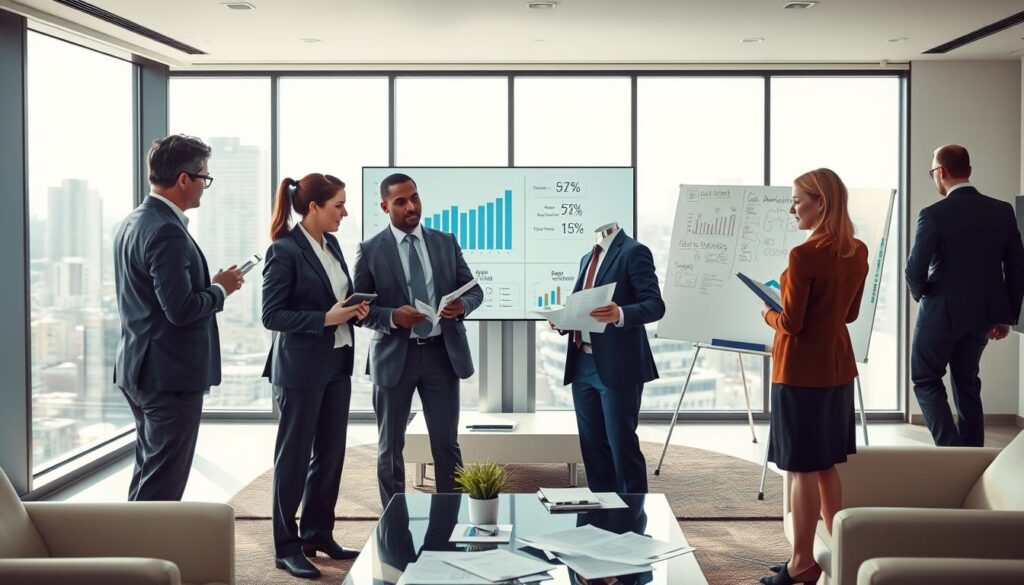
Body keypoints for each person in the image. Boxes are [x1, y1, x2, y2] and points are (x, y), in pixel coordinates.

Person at [113, 134, 243, 501]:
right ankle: (148, 556)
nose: (205, 186)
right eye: (205, 177)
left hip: (140, 369)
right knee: (163, 483)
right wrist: (221, 289)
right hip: (168, 377)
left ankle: (133, 555)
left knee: (149, 471)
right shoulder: (167, 230)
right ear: (184, 179)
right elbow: (181, 310)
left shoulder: (133, 221)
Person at [758, 168, 868, 585]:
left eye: (798, 200)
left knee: (801, 468)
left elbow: (792, 323)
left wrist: (768, 311)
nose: (793, 209)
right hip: (837, 368)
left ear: (820, 202)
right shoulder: (856, 250)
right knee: (825, 465)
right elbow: (851, 313)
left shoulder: (802, 256)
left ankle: (801, 563)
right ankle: (834, 551)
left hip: (799, 371)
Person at [352, 173, 484, 508]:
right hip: (395, 357)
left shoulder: (445, 242)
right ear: (384, 206)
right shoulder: (369, 251)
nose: (411, 206)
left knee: (446, 446)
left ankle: (449, 521)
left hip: (442, 356)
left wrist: (461, 306)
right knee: (390, 447)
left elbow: (474, 290)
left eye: (415, 198)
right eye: (401, 201)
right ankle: (394, 525)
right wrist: (393, 316)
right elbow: (360, 310)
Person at [262, 174, 369, 578]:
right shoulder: (284, 251)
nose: (345, 212)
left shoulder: (333, 244)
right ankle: (285, 546)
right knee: (292, 459)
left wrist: (352, 309)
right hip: (300, 370)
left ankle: (318, 533)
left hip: (337, 363)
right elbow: (272, 315)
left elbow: (337, 296)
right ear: (314, 208)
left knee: (330, 454)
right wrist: (327, 317)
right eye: (338, 205)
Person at [906, 144, 1024, 447]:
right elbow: (1016, 267)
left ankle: (950, 450)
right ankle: (972, 456)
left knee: (925, 377)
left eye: (932, 171)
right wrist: (1005, 315)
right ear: (968, 171)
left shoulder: (933, 214)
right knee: (967, 383)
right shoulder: (1001, 211)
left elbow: (914, 271)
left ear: (941, 172)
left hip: (940, 315)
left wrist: (925, 297)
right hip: (982, 317)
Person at [556, 222, 665, 494]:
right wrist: (561, 321)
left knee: (622, 445)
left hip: (618, 365)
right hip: (582, 362)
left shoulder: (634, 252)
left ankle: (633, 517)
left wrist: (621, 314)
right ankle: (601, 514)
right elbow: (580, 307)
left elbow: (655, 305)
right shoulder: (586, 258)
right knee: (592, 447)